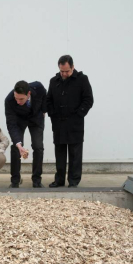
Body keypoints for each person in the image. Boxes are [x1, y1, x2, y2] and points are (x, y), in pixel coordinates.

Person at [47, 55, 94, 188]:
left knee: (75, 155)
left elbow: (88, 99)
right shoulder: (54, 81)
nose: (64, 74)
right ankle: (59, 180)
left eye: (67, 71)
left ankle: (73, 181)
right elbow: (48, 99)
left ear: (72, 67)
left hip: (75, 123)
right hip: (58, 124)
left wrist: (79, 114)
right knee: (60, 154)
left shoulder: (82, 80)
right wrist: (52, 114)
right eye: (62, 71)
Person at [5, 80, 47, 188]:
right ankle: (15, 181)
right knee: (16, 147)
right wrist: (19, 144)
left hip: (36, 118)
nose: (18, 101)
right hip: (19, 120)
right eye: (16, 98)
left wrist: (44, 110)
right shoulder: (9, 100)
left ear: (29, 94)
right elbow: (11, 124)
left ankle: (37, 180)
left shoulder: (38, 87)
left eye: (21, 99)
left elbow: (44, 96)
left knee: (38, 147)